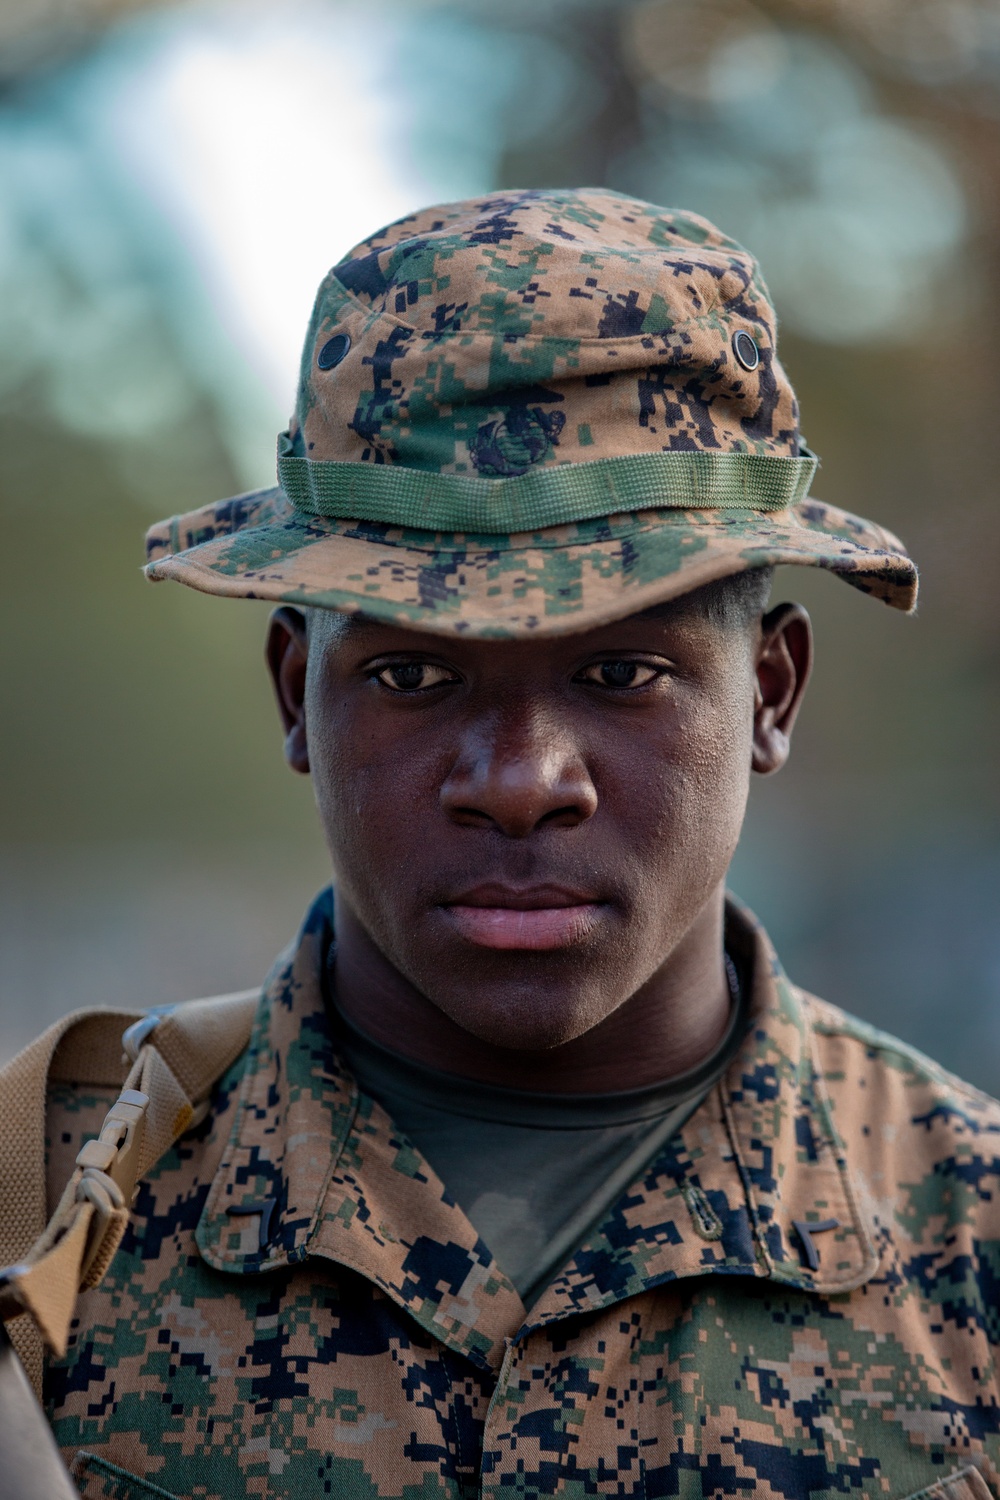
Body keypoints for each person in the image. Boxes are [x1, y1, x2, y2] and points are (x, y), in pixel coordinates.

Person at [3, 187, 999, 1500]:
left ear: (771, 694)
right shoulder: (45, 1213)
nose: (520, 783)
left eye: (626, 671)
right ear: (293, 692)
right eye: (416, 677)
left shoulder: (969, 1251)